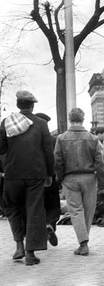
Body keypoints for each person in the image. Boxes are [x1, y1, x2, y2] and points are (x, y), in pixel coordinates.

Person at [0, 90, 54, 265]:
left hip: (12, 174)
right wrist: (50, 173)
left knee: (12, 208)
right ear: (32, 105)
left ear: (18, 105)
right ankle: (30, 254)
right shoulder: (40, 124)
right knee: (34, 211)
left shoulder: (7, 123)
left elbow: (1, 149)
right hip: (35, 174)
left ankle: (19, 246)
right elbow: (48, 151)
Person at [54, 108, 104, 256]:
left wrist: (60, 178)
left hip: (70, 178)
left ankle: (83, 243)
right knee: (89, 210)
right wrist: (103, 182)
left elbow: (57, 161)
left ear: (70, 119)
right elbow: (99, 162)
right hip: (89, 178)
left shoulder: (61, 138)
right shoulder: (93, 139)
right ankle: (84, 241)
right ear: (83, 119)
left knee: (76, 211)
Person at [35, 112, 61, 247]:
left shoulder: (31, 140)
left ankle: (43, 230)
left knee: (39, 206)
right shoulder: (54, 140)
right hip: (51, 177)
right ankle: (50, 225)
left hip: (35, 179)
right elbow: (57, 158)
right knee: (54, 206)